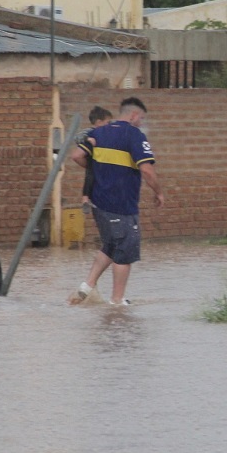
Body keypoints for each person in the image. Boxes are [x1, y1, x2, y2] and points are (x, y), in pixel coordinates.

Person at [69, 97, 164, 305]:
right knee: (125, 250)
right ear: (133, 115)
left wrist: (100, 170)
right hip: (120, 204)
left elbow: (76, 155)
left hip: (99, 203)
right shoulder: (134, 135)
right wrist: (159, 192)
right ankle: (117, 302)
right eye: (142, 118)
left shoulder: (97, 133)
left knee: (111, 246)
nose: (142, 123)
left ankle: (86, 288)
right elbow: (147, 170)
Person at [79, 105, 113, 213]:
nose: (109, 125)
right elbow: (78, 137)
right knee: (90, 176)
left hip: (97, 159)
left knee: (90, 176)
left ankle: (86, 199)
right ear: (98, 122)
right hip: (92, 157)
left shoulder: (104, 134)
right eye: (108, 122)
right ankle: (85, 199)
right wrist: (88, 139)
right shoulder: (91, 132)